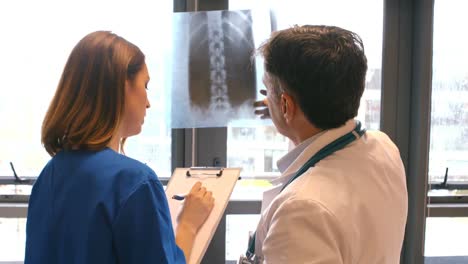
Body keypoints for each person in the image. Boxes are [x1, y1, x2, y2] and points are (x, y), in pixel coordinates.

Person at [25, 31, 214, 264]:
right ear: (120, 85)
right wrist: (189, 224)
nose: (148, 102)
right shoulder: (135, 182)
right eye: (145, 85)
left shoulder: (49, 176)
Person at [243, 25, 408, 263]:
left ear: (287, 105)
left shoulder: (300, 210)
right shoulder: (384, 148)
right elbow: (314, 149)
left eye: (267, 91)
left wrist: (285, 112)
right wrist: (283, 111)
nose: (266, 99)